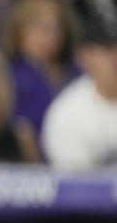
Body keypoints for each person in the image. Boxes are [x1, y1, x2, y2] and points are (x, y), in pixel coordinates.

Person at [1, 0, 82, 144]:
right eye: (39, 26)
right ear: (18, 31)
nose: (49, 35)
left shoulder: (78, 72)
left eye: (56, 27)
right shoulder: (8, 76)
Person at [42, 15, 117, 169]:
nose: (116, 57)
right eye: (108, 49)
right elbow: (76, 189)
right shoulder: (68, 114)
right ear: (84, 57)